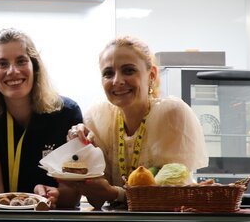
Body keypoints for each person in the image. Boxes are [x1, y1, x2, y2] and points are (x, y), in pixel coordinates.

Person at [66, 36, 208, 208]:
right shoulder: (98, 116)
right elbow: (97, 198)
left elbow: (168, 198)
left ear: (152, 75)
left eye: (128, 71)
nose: (117, 81)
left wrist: (115, 193)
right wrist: (82, 149)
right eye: (108, 73)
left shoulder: (171, 114)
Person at [0, 29, 83, 207]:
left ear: (35, 68)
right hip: (4, 219)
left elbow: (72, 196)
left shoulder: (67, 113)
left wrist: (56, 194)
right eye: (2, 64)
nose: (12, 71)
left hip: (51, 218)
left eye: (21, 61)